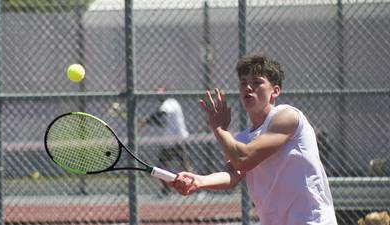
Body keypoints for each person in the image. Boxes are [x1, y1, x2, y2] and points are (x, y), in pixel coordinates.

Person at [170, 54, 338, 224]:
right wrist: (198, 181)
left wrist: (219, 129)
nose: (248, 87)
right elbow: (232, 173)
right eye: (243, 83)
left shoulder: (287, 116)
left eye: (257, 82)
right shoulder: (242, 138)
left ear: (275, 90)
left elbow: (245, 159)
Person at [141, 87, 192, 195]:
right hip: (171, 141)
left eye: (161, 94)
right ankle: (167, 189)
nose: (159, 96)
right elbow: (163, 123)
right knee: (161, 166)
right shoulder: (169, 105)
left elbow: (160, 114)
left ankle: (192, 187)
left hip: (178, 141)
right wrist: (148, 122)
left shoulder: (170, 102)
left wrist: (146, 120)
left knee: (184, 165)